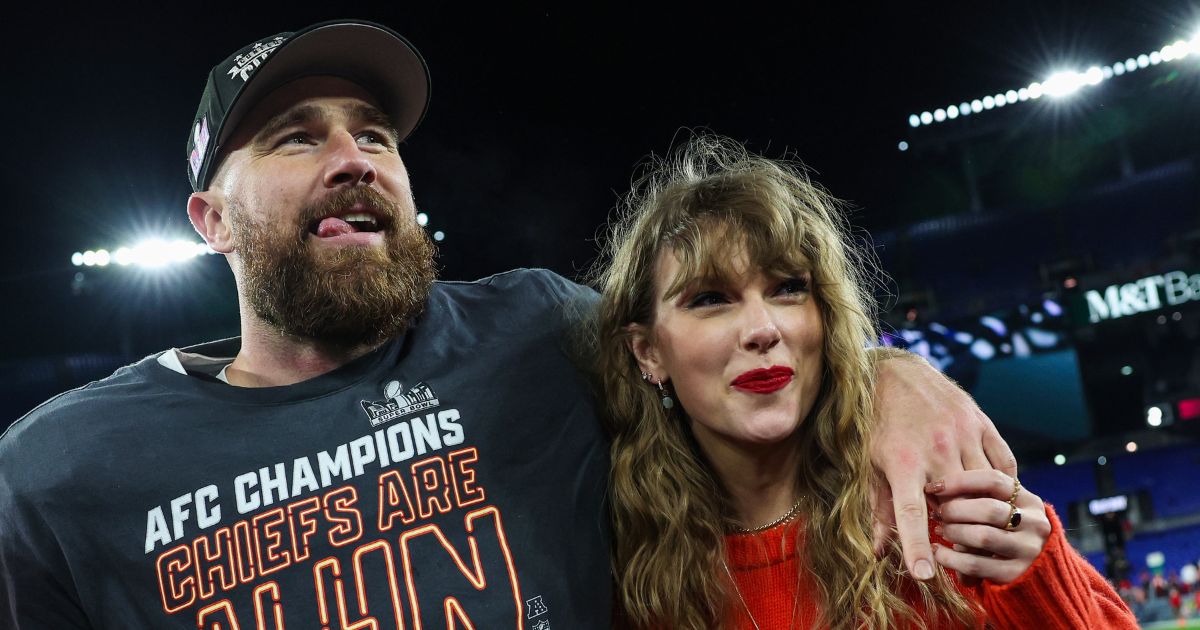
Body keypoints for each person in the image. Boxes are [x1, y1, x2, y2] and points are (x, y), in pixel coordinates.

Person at [1, 20, 1014, 629]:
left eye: (375, 132)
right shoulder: (61, 471)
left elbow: (731, 342)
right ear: (210, 220)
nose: (354, 155)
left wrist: (886, 374)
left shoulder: (538, 332)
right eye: (295, 138)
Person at [591, 134, 1138, 629]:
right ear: (648, 352)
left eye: (788, 289)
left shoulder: (931, 503)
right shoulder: (615, 570)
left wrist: (1037, 582)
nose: (763, 329)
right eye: (710, 299)